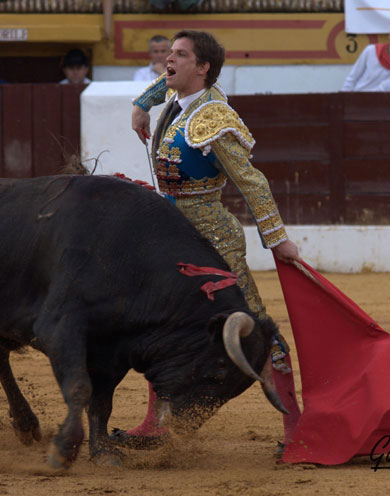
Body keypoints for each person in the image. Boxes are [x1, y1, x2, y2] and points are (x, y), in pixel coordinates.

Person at [110, 30, 302, 452]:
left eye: (180, 55)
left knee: (256, 328)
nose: (168, 62)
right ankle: (155, 424)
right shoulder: (181, 103)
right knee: (161, 325)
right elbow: (167, 82)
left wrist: (277, 239)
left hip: (214, 242)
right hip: (173, 239)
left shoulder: (213, 118)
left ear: (204, 69)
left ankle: (297, 430)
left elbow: (251, 181)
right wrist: (143, 103)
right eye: (169, 54)